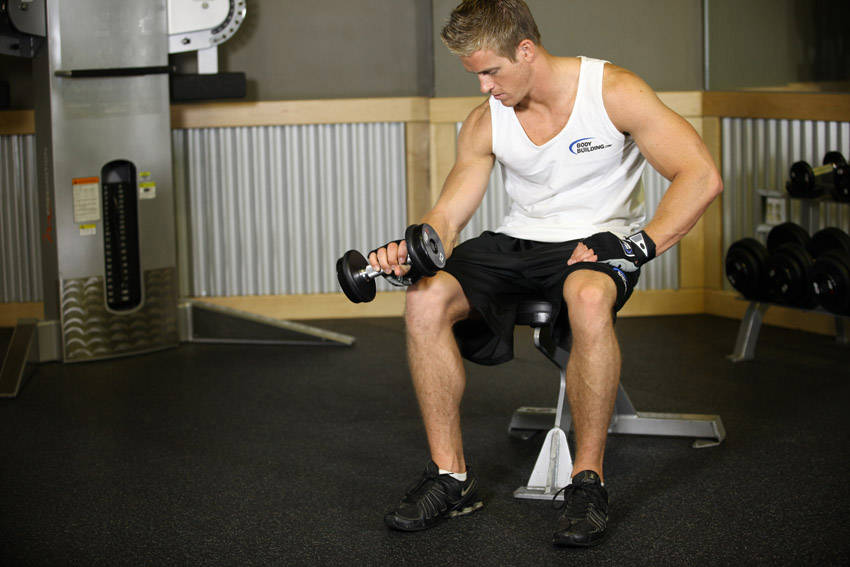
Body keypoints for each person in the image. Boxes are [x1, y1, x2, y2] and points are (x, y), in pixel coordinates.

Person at [370, 0, 722, 548]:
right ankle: (450, 476)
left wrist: (636, 247)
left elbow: (699, 175)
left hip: (594, 241)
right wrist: (414, 246)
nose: (485, 86)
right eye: (477, 74)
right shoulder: (486, 120)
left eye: (491, 70)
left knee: (585, 296)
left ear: (527, 50)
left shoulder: (613, 91)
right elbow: (449, 213)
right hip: (516, 241)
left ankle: (587, 481)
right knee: (424, 298)